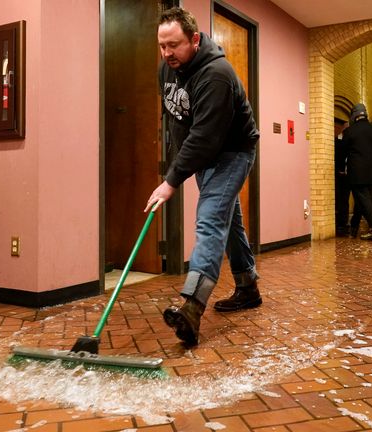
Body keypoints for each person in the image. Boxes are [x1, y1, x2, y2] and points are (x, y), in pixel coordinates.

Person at [144, 7, 261, 346]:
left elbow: (206, 137)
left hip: (233, 152)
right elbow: (179, 122)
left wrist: (170, 180)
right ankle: (248, 286)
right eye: (162, 46)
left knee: (210, 218)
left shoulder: (216, 74)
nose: (167, 54)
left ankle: (192, 307)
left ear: (194, 39)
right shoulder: (166, 71)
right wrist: (176, 164)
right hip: (204, 152)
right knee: (229, 222)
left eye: (174, 45)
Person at [343, 103, 372, 240]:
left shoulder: (350, 131)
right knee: (361, 200)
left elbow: (342, 152)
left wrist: (340, 167)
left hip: (356, 172)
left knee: (363, 198)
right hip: (371, 172)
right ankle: (354, 228)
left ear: (354, 115)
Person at [335, 120, 350, 237]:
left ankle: (343, 222)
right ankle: (341, 223)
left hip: (345, 175)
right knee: (342, 200)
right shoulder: (338, 142)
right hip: (340, 175)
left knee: (343, 200)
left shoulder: (343, 142)